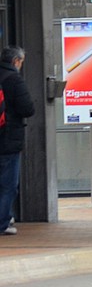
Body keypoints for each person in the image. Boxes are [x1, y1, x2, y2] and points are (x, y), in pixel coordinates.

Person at [0, 46, 36, 236]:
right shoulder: (14, 79)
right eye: (21, 62)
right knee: (8, 184)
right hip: (8, 139)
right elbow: (27, 109)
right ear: (16, 61)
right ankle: (3, 222)